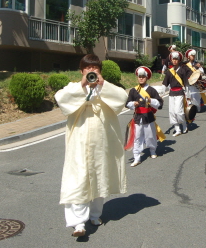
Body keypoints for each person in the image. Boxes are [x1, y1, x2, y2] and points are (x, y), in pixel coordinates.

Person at [54, 54, 128, 238]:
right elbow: (61, 98)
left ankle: (95, 215)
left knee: (100, 175)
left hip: (101, 142)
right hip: (79, 142)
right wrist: (82, 85)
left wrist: (103, 84)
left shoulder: (105, 88)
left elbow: (122, 98)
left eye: (95, 69)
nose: (92, 72)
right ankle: (78, 223)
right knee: (78, 178)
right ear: (81, 71)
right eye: (88, 69)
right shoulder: (74, 87)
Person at [125, 66, 165, 167]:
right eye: (139, 76)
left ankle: (152, 150)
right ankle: (137, 157)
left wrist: (151, 101)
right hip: (138, 117)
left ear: (146, 77)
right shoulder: (133, 91)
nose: (141, 78)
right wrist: (133, 104)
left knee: (150, 135)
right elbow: (127, 103)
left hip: (149, 117)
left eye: (143, 76)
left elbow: (160, 103)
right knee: (137, 137)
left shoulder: (151, 90)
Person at [162, 51, 191, 136]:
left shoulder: (182, 70)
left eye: (176, 59)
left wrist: (188, 96)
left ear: (179, 60)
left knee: (179, 111)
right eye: (173, 59)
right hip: (171, 94)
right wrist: (161, 93)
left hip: (180, 92)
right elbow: (165, 84)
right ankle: (177, 129)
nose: (174, 61)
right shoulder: (169, 71)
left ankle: (184, 124)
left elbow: (186, 84)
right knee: (172, 112)